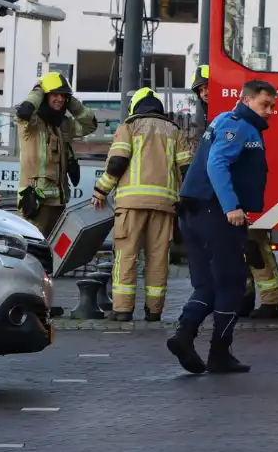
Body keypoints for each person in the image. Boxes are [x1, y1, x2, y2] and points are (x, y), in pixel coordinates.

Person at [166, 80, 276, 375]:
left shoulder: (223, 119)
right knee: (231, 284)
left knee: (207, 283)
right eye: (265, 105)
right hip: (214, 213)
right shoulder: (239, 126)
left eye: (272, 107)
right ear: (247, 100)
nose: (269, 112)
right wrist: (231, 208)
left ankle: (184, 335)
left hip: (194, 211)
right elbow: (217, 164)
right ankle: (219, 352)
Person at [190, 65, 278, 318]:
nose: (205, 94)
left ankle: (269, 300)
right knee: (239, 253)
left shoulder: (231, 121)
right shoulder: (228, 121)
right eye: (200, 90)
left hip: (230, 203)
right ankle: (243, 300)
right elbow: (215, 163)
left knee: (253, 249)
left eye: (208, 87)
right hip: (225, 203)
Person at [92, 88, 192, 322]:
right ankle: (154, 310)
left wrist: (101, 190)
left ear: (135, 107)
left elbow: (117, 162)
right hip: (165, 204)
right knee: (158, 258)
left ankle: (123, 310)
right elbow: (186, 169)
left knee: (126, 255)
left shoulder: (129, 126)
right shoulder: (174, 131)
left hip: (132, 203)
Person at [14, 73, 97, 246]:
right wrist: (39, 89)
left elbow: (90, 124)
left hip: (59, 202)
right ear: (45, 96)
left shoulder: (63, 124)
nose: (59, 99)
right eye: (54, 94)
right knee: (33, 251)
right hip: (36, 204)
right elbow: (23, 112)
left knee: (54, 254)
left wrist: (70, 100)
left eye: (63, 96)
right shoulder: (31, 124)